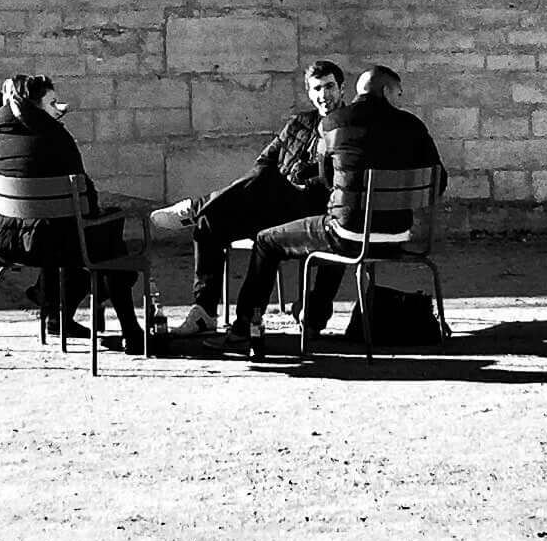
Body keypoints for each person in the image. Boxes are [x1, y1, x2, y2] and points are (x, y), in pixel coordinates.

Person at [0, 74, 144, 351]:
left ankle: (53, 308)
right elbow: (89, 199)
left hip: (9, 245)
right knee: (106, 234)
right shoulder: (58, 138)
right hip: (64, 246)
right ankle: (130, 330)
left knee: (55, 228)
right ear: (33, 105)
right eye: (52, 102)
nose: (59, 109)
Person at [252, 64, 447, 351]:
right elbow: (439, 181)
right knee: (342, 231)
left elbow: (328, 179)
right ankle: (312, 315)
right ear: (386, 91)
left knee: (267, 240)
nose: (400, 100)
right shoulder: (413, 125)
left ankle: (247, 328)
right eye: (399, 93)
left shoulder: (332, 123)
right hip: (401, 237)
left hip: (348, 234)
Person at [152, 59, 347, 342]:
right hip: (274, 207)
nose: (324, 95)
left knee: (266, 185)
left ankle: (196, 206)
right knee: (211, 222)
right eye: (317, 88)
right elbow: (264, 160)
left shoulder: (349, 126)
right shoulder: (299, 123)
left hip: (315, 213)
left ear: (342, 89)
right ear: (309, 92)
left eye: (330, 87)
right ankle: (204, 312)